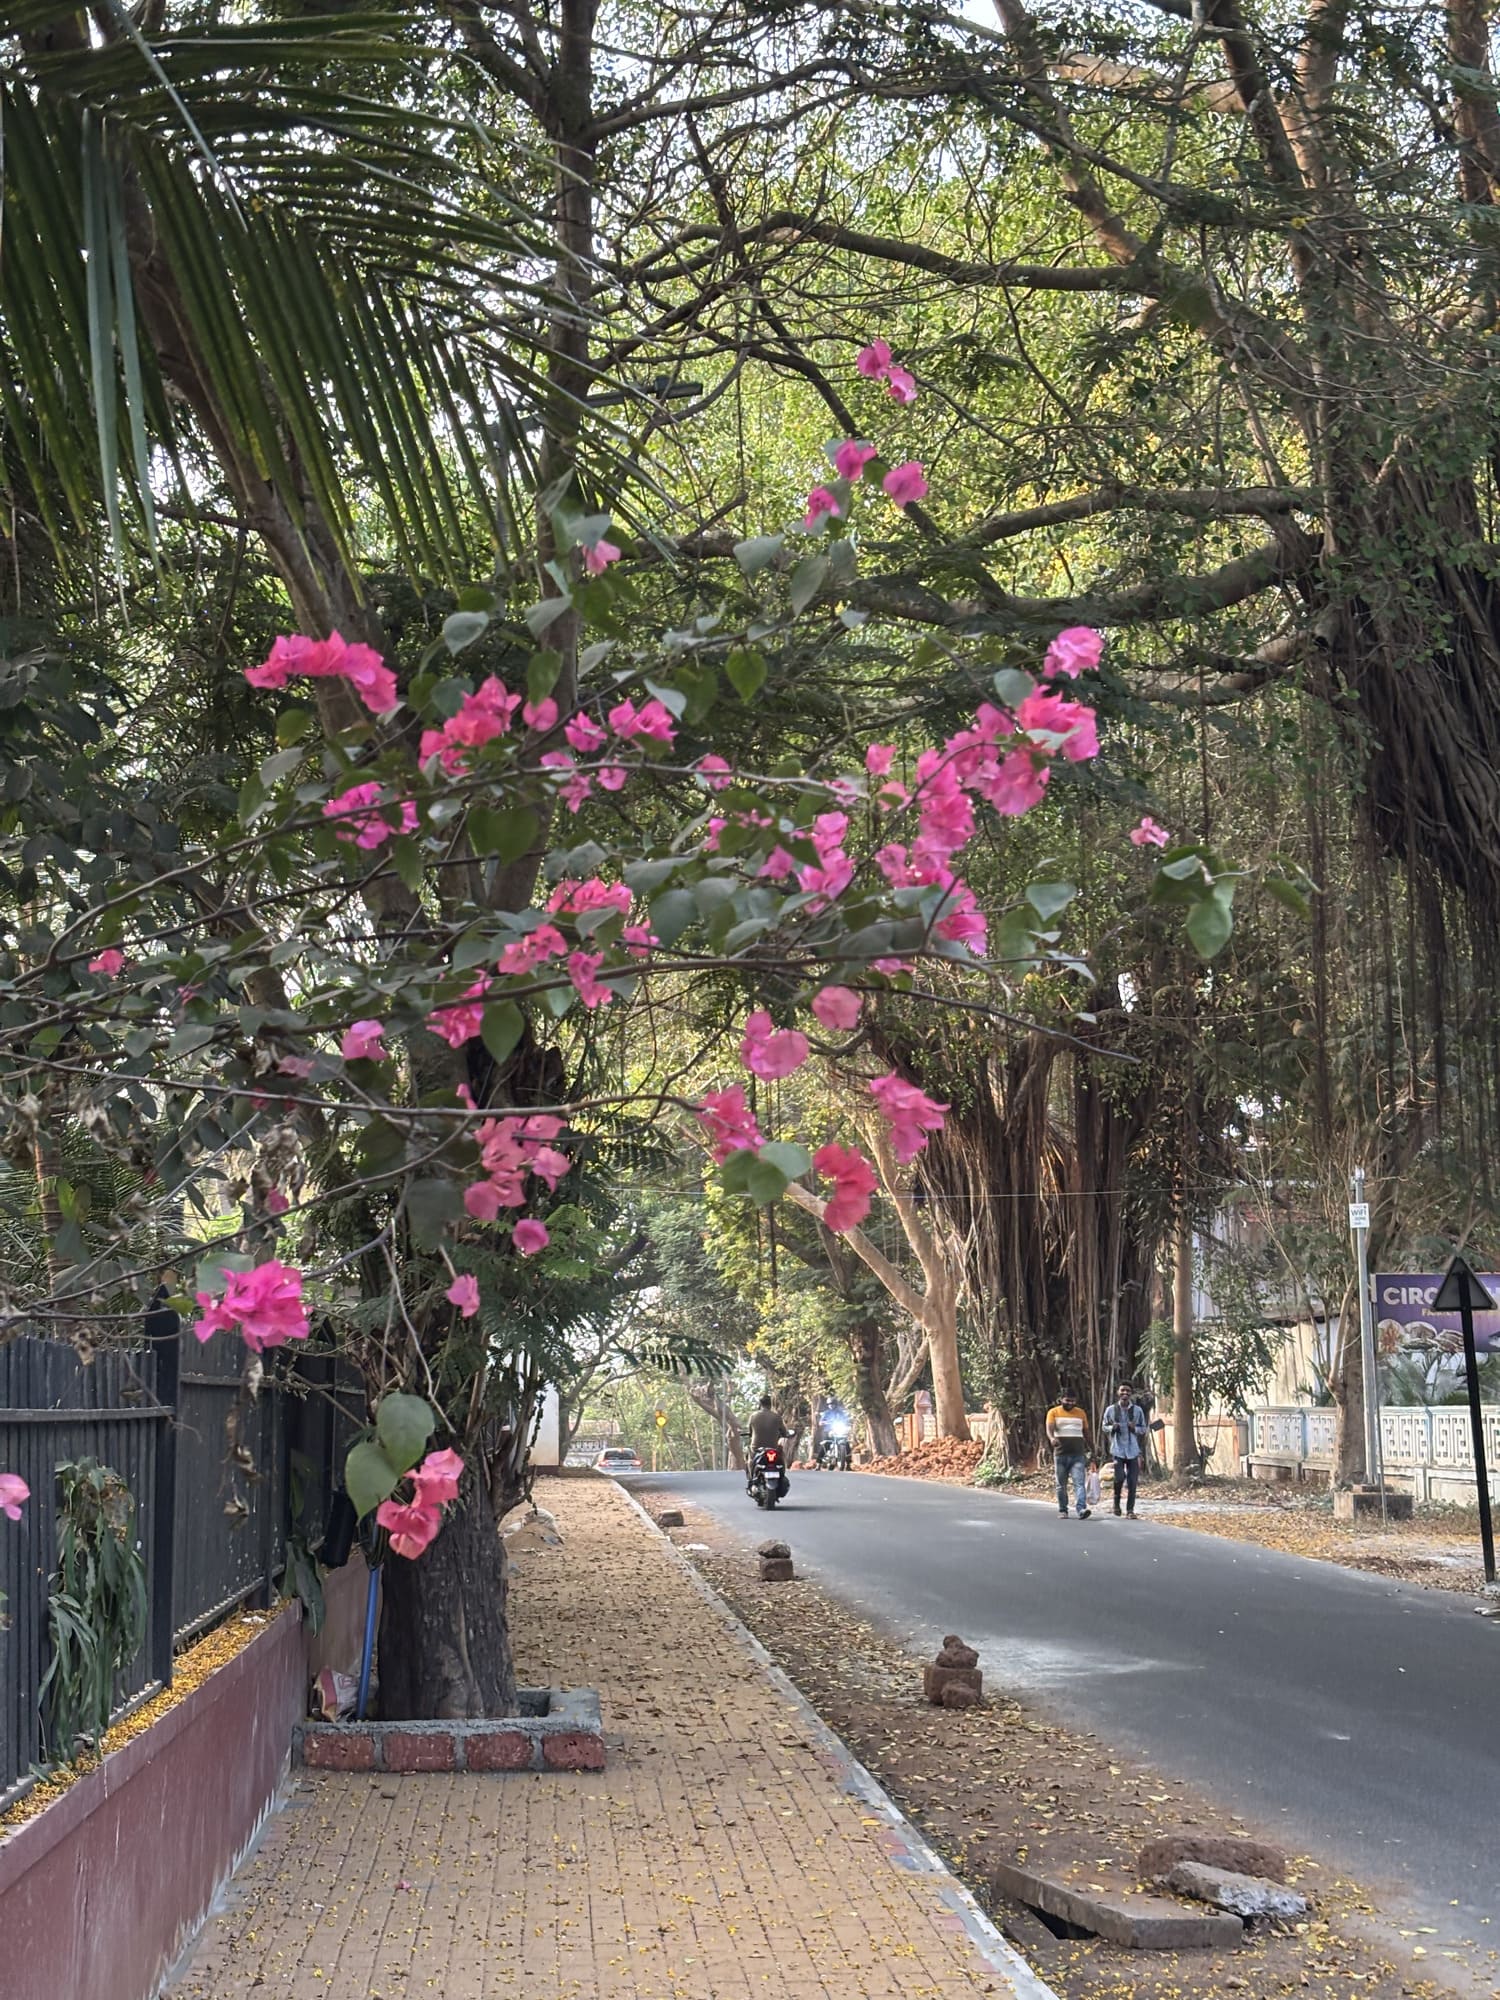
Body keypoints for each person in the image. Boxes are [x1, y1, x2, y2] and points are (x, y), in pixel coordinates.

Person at [1045, 1386, 1092, 1518]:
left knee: (1079, 1483)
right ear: (1061, 1399)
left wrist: (1093, 1448)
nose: (1070, 1403)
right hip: (1060, 1454)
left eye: (1072, 1401)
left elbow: (1086, 1432)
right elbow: (1049, 1428)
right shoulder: (1053, 1412)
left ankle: (1081, 1509)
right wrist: (1052, 1438)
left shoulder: (1081, 1413)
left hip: (1078, 1454)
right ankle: (1063, 1510)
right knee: (1061, 1485)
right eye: (1067, 1400)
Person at [1103, 1380, 1147, 1517]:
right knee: (1119, 1478)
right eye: (1122, 1390)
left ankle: (1130, 1510)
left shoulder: (1137, 1410)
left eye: (1128, 1391)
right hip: (1118, 1449)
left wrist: (1135, 1428)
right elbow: (1104, 1426)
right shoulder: (1111, 1410)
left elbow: (1143, 1428)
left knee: (1132, 1481)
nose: (1125, 1393)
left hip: (1133, 1450)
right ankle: (1116, 1505)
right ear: (1118, 1392)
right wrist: (1112, 1427)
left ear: (1131, 1393)